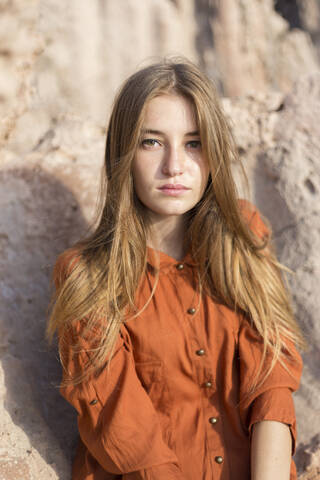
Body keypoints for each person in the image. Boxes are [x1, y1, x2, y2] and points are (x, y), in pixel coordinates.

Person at [47, 57, 305, 480]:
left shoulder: (243, 234)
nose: (174, 166)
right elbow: (128, 434)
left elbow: (272, 383)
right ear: (124, 153)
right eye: (151, 142)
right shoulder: (87, 276)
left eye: (193, 143)